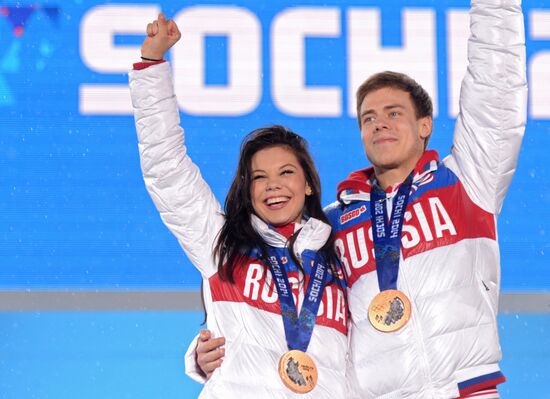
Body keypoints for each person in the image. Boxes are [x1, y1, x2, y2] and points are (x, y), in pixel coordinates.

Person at [190, 0, 528, 397]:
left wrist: (496, 5)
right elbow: (282, 305)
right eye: (368, 117)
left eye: (393, 112)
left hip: (465, 388)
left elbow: (495, 99)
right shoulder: (328, 227)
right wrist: (202, 355)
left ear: (425, 125)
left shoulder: (465, 184)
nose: (379, 122)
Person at [129, 14, 349, 399]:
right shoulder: (221, 244)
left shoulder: (341, 256)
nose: (274, 186)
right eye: (259, 177)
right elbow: (167, 169)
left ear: (310, 183)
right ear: (247, 191)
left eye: (286, 172)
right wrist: (151, 66)